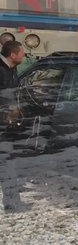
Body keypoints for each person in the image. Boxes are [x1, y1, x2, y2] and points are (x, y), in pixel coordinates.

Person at [0, 40, 28, 212]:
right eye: (21, 52)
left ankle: (12, 203)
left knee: (9, 164)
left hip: (6, 127)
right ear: (12, 55)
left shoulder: (12, 69)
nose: (24, 55)